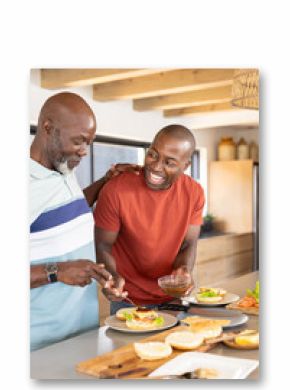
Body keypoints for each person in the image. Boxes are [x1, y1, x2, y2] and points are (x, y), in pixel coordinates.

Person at [30, 92, 139, 350]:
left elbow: (66, 210)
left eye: (89, 143)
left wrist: (105, 182)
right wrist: (58, 271)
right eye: (79, 141)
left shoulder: (63, 168)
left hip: (82, 334)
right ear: (48, 128)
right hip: (39, 346)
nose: (84, 151)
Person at [94, 124, 205, 314]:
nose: (155, 167)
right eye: (153, 154)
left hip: (173, 298)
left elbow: (189, 243)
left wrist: (183, 269)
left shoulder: (194, 192)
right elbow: (103, 245)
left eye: (169, 163)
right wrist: (112, 278)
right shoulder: (116, 189)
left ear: (185, 166)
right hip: (128, 300)